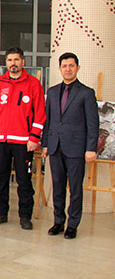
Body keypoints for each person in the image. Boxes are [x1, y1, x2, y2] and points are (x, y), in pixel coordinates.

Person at [0, 46, 46, 230]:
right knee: (0, 179)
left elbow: (40, 113)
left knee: (24, 180)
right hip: (1, 140)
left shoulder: (33, 84)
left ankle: (25, 216)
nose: (13, 63)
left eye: (17, 60)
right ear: (6, 63)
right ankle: (1, 213)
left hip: (23, 142)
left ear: (23, 62)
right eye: (10, 60)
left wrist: (34, 137)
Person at [42, 52, 98, 239]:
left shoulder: (86, 93)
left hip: (76, 148)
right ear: (59, 69)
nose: (68, 69)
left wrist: (91, 148)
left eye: (71, 65)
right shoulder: (52, 91)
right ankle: (58, 221)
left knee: (75, 188)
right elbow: (48, 120)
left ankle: (72, 224)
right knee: (57, 186)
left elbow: (92, 123)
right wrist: (45, 144)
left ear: (77, 68)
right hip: (55, 146)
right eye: (64, 66)